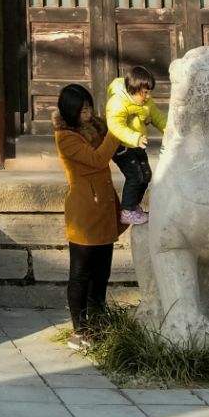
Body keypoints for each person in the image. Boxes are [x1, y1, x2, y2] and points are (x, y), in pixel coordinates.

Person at [52, 82, 123, 351]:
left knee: (102, 273)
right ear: (70, 112)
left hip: (104, 207)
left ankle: (98, 323)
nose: (88, 113)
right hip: (84, 212)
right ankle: (79, 330)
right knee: (80, 273)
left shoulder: (96, 127)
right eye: (82, 110)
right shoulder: (66, 137)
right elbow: (97, 159)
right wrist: (115, 133)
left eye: (89, 107)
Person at [104, 65, 167, 226]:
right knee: (135, 176)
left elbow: (157, 117)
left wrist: (169, 130)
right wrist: (135, 137)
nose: (147, 96)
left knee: (146, 175)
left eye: (149, 92)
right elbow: (115, 126)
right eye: (144, 92)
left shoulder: (146, 102)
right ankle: (127, 211)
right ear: (133, 89)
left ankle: (134, 206)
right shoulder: (118, 103)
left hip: (138, 144)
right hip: (122, 146)